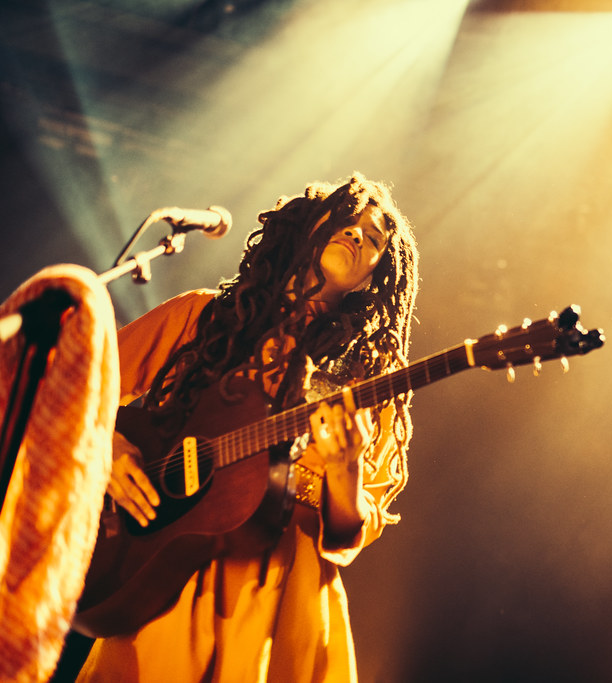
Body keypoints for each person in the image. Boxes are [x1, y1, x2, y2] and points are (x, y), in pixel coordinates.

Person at [76, 173, 420, 682]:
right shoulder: (202, 317)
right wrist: (108, 448)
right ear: (305, 227)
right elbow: (78, 388)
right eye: (347, 220)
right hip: (167, 572)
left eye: (373, 238)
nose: (356, 235)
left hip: (288, 592)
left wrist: (344, 472)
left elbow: (352, 534)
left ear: (372, 278)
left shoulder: (366, 379)